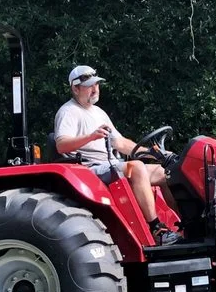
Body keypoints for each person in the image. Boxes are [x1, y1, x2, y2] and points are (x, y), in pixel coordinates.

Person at [54, 65, 180, 245]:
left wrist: (153, 153)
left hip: (111, 164)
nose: (95, 89)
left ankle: (185, 226)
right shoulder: (68, 112)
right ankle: (157, 229)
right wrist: (91, 136)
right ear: (75, 88)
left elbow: (120, 143)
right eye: (89, 86)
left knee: (164, 172)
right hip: (90, 169)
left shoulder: (99, 113)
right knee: (136, 168)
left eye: (96, 84)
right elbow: (61, 145)